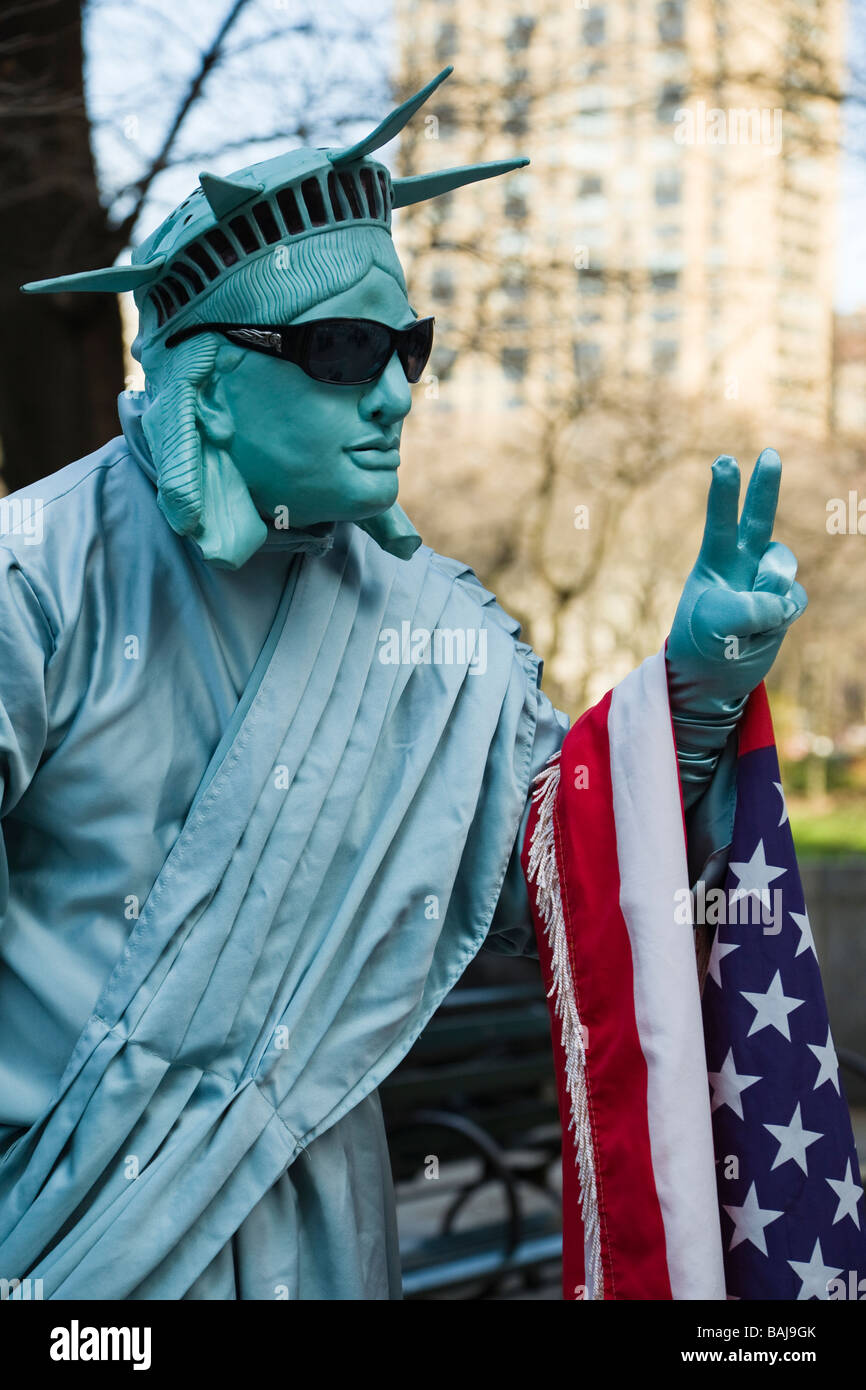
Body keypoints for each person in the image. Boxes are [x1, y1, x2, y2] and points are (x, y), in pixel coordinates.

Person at [0, 67, 805, 1300]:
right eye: (342, 349)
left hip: (327, 1238)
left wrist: (695, 680)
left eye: (408, 349)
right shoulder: (35, 579)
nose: (392, 392)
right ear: (204, 384)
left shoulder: (440, 628)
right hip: (69, 1255)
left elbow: (562, 845)